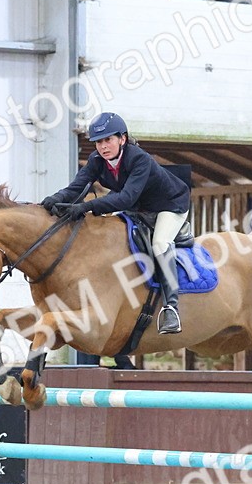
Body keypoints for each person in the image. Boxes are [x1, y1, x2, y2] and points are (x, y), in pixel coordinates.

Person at [40, 112, 191, 335]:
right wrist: (54, 199)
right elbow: (75, 188)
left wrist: (86, 207)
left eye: (108, 139)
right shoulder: (96, 161)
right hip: (139, 208)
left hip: (169, 205)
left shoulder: (138, 159)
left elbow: (126, 198)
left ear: (122, 139)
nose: (103, 146)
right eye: (98, 142)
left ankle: (171, 308)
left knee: (159, 244)